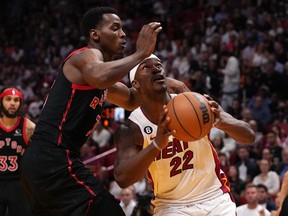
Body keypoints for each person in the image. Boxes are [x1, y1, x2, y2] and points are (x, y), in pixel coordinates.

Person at [20, 7, 189, 216]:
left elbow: (131, 99)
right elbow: (99, 75)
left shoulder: (103, 79)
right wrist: (141, 54)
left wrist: (164, 83)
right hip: (53, 158)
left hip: (41, 162)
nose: (123, 34)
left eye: (123, 29)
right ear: (95, 34)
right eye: (115, 28)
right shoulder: (85, 56)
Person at [114, 54, 255, 215]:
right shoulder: (132, 128)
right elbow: (122, 179)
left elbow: (249, 136)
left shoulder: (197, 104)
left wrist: (222, 121)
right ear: (135, 84)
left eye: (158, 65)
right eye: (146, 67)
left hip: (215, 198)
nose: (155, 69)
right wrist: (156, 145)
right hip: (171, 206)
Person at [0, 87, 35, 216]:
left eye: (16, 100)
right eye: (8, 99)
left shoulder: (29, 127)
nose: (12, 103)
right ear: (1, 102)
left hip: (19, 183)